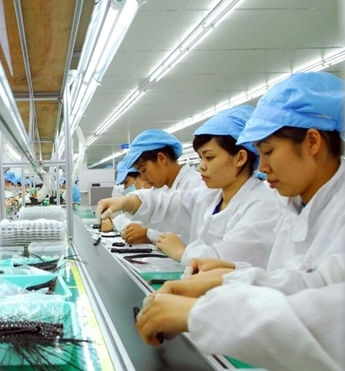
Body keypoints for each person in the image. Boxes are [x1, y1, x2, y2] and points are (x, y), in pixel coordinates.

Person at [136, 72, 345, 371]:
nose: (262, 167)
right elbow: (305, 281)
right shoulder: (297, 203)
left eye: (269, 151)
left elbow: (341, 321)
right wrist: (226, 280)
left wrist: (202, 314)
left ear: (312, 142)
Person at [97, 106, 281, 268]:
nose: (202, 166)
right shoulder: (210, 196)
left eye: (209, 157)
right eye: (201, 158)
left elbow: (230, 265)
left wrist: (183, 253)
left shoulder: (262, 205)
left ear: (240, 158)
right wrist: (127, 201)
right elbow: (167, 204)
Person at [110, 129, 204, 244]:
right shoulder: (162, 188)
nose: (143, 178)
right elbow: (152, 210)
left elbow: (195, 236)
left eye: (143, 170)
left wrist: (150, 234)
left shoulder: (196, 184)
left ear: (161, 159)